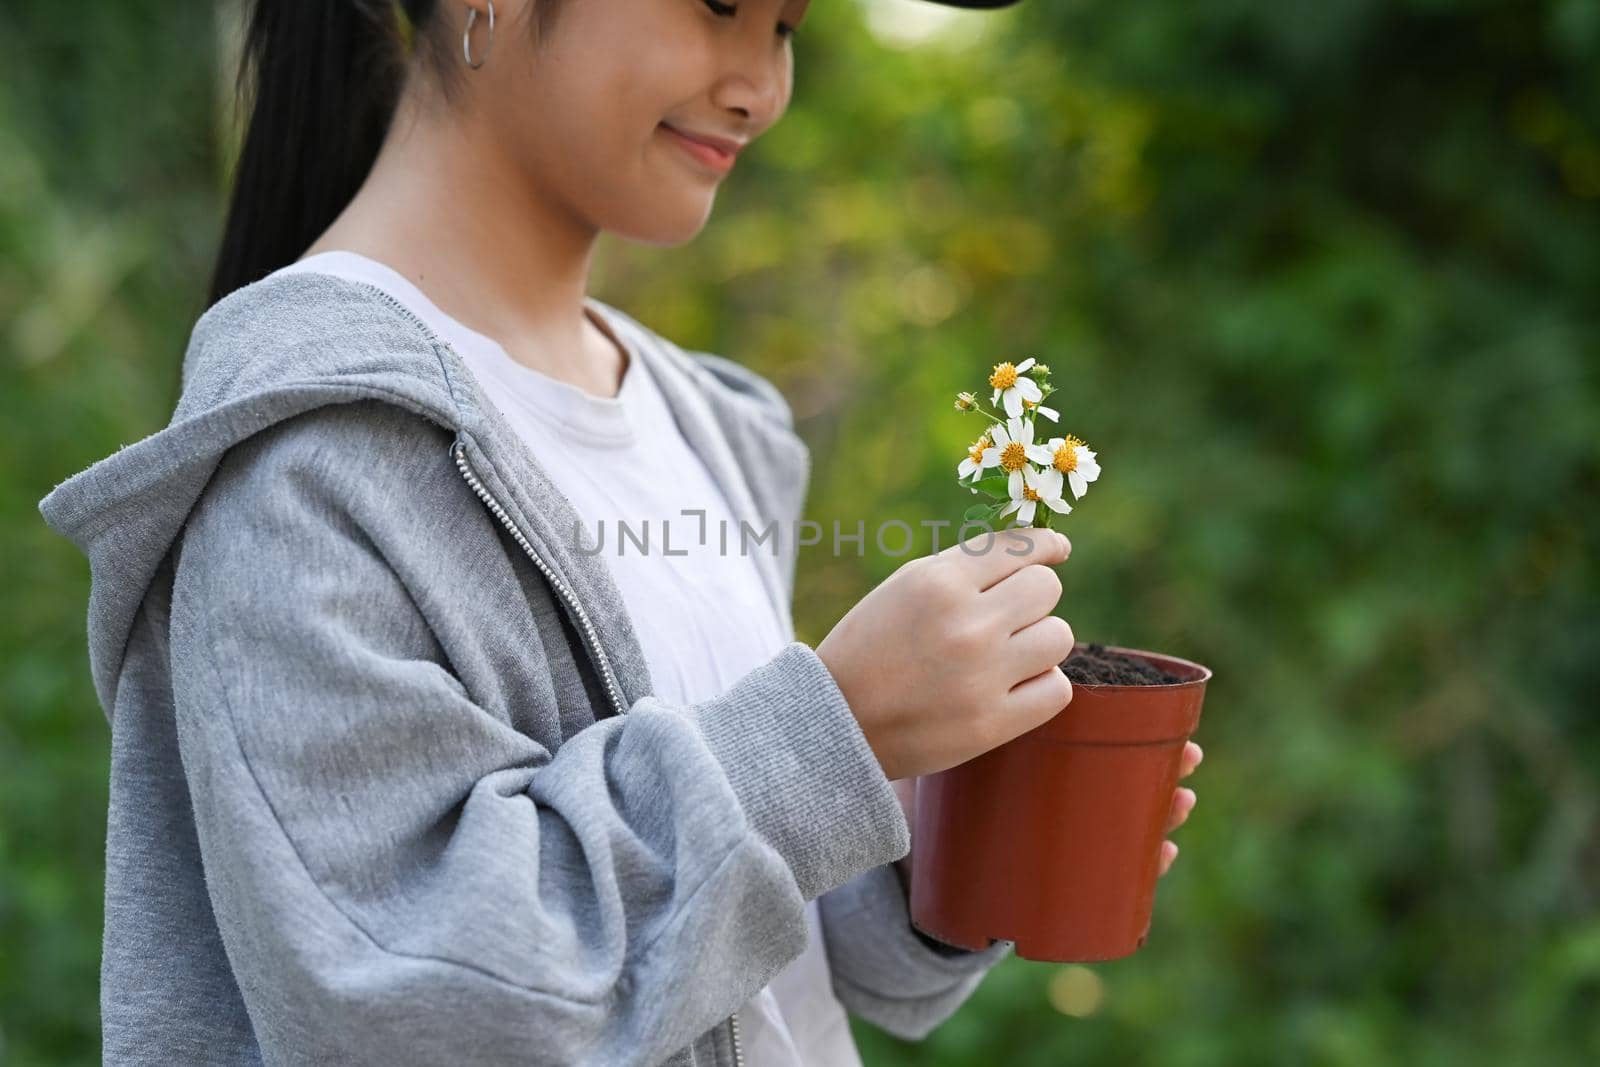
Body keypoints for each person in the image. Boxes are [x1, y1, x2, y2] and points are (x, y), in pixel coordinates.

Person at [36, 0, 1200, 1063]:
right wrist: (824, 731)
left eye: (788, 27)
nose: (763, 86)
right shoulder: (311, 457)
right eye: (721, 8)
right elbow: (406, 1008)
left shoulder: (708, 422)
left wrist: (945, 806)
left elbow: (768, 946)